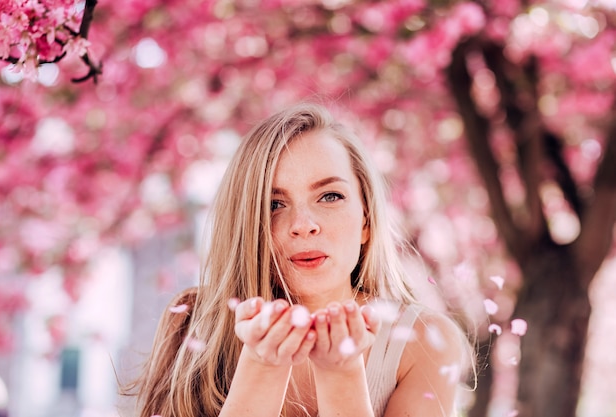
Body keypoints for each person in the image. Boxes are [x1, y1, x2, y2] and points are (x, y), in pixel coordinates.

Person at [127, 102, 473, 417]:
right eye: (274, 205)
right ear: (246, 225)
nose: (303, 226)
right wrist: (261, 368)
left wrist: (342, 375)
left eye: (330, 196)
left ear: (366, 220)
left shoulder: (421, 341)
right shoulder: (194, 326)